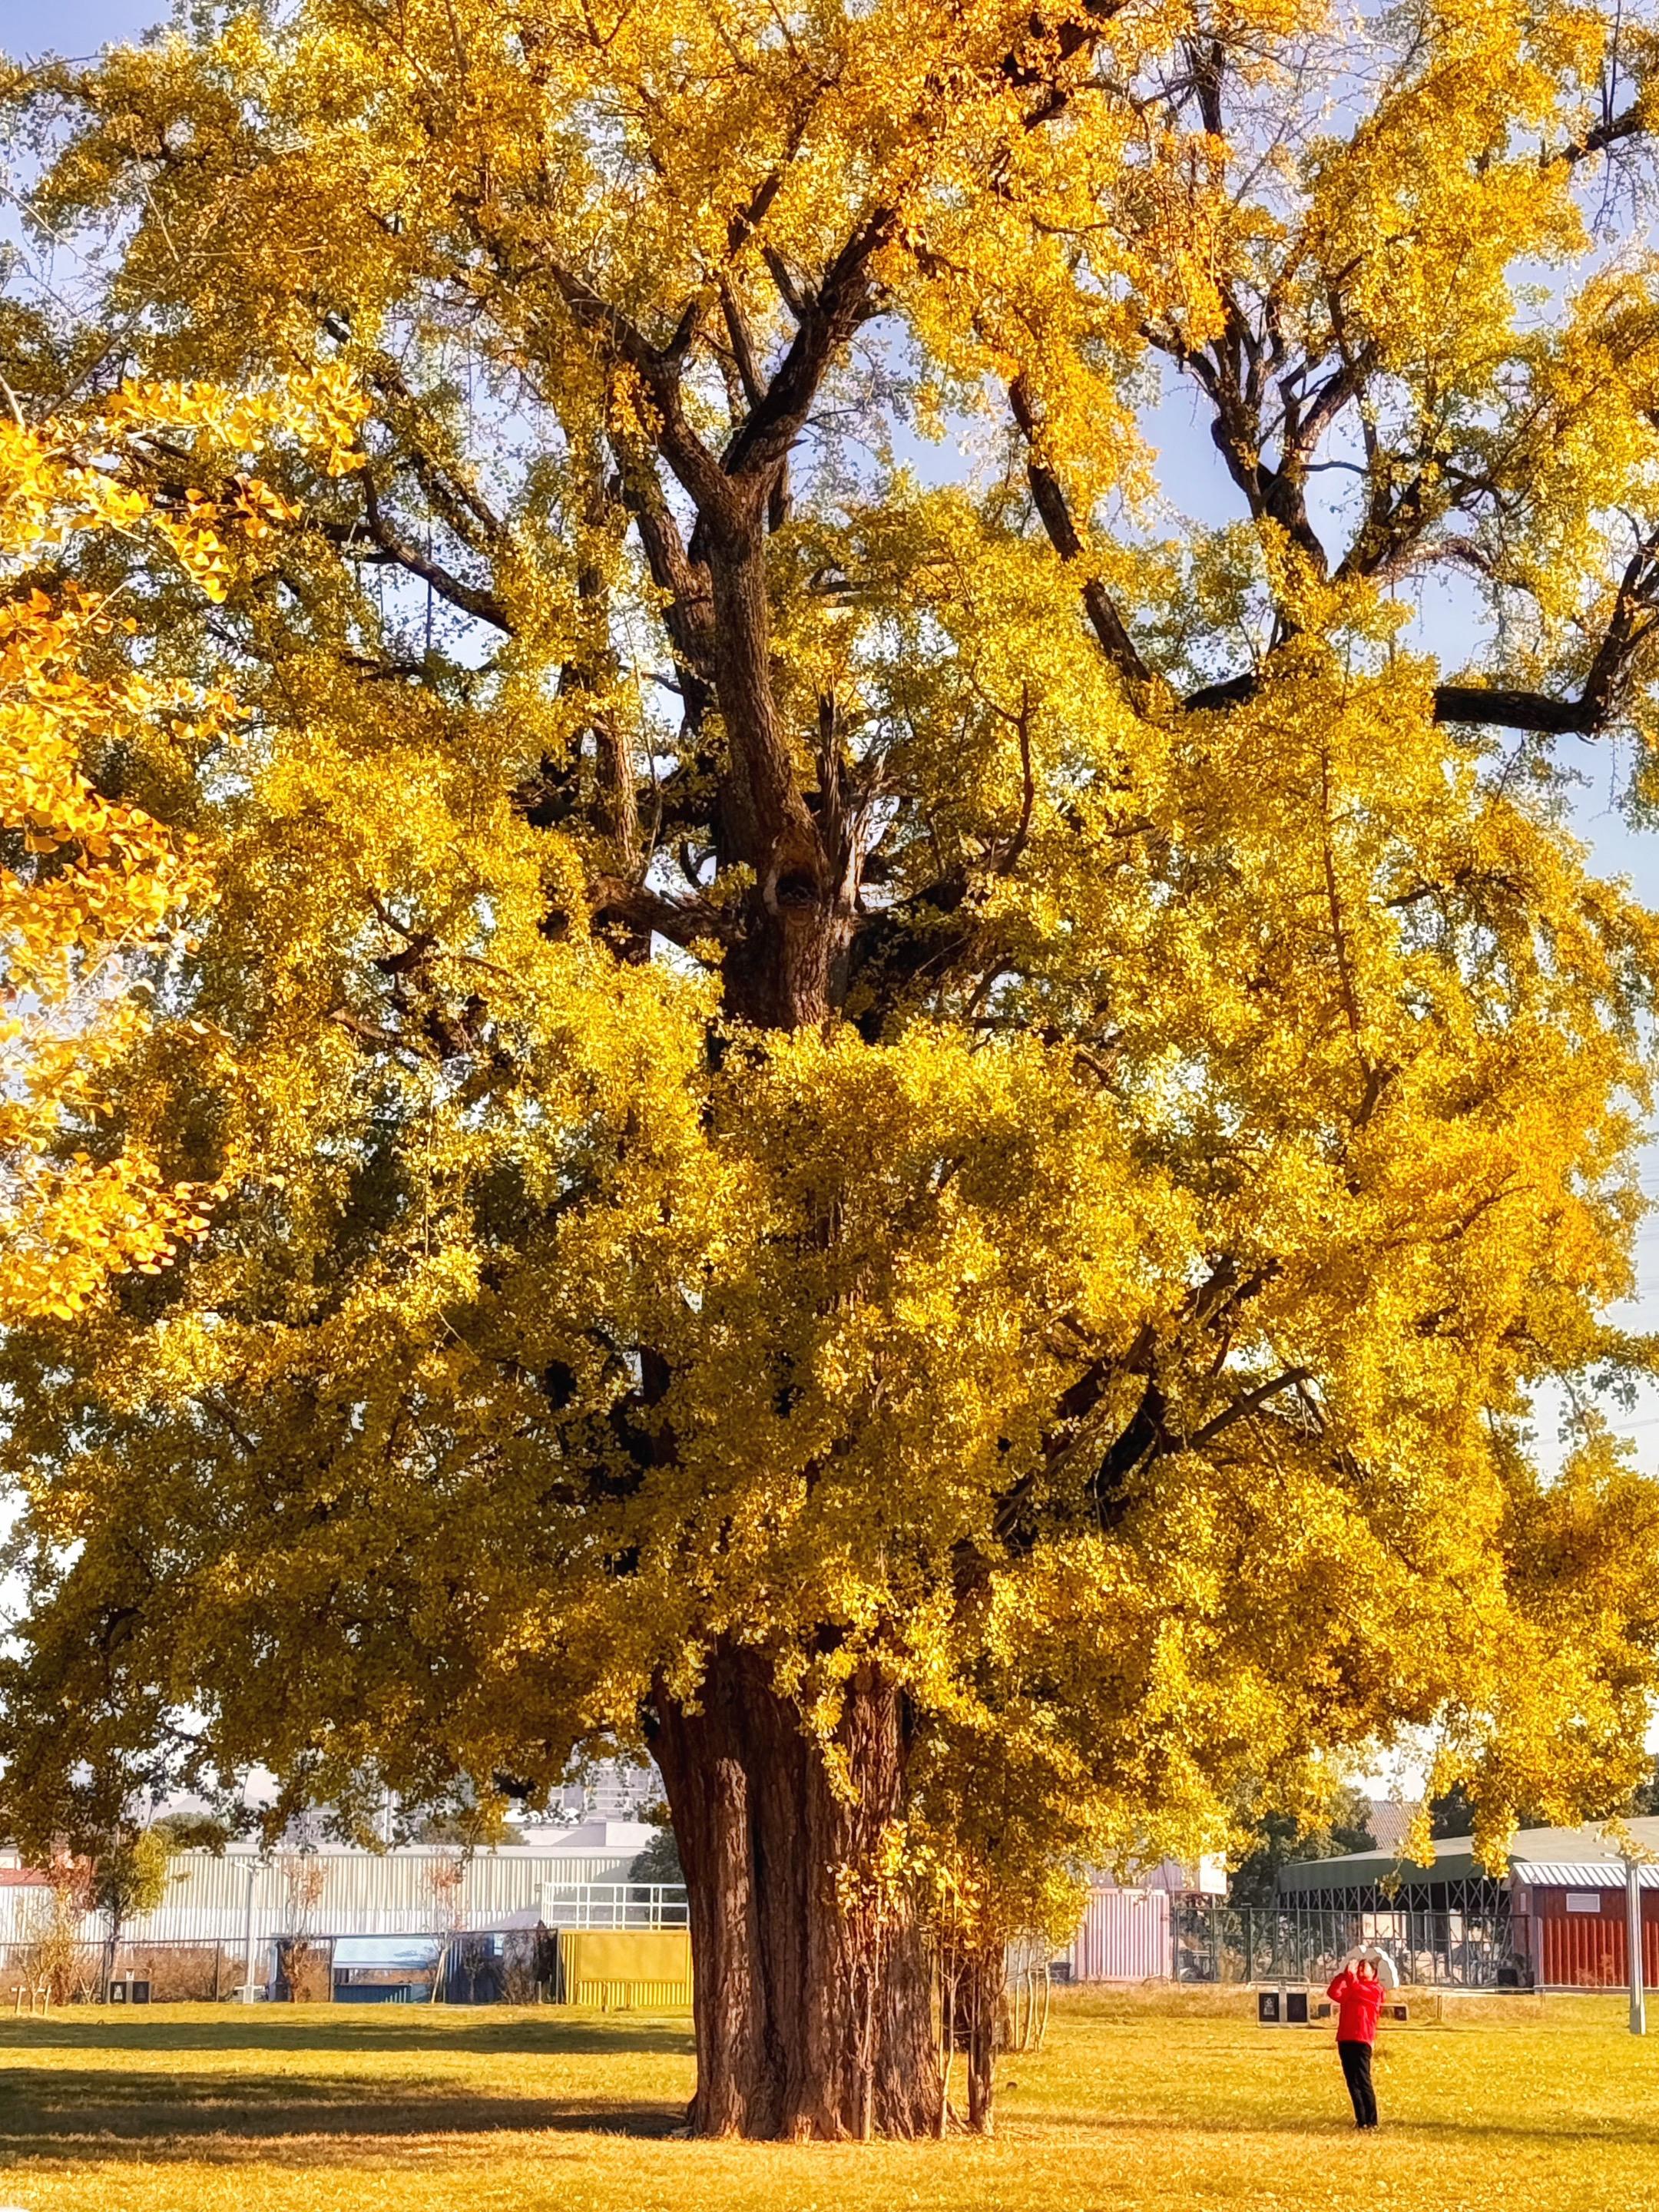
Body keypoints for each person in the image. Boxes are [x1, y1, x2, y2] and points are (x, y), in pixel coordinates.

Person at [1326, 1952, 1384, 2128]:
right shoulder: (1352, 1986)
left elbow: (1360, 1991)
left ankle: (1372, 2121)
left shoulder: (1375, 1990)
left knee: (1363, 2080)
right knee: (1352, 2082)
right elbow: (1334, 1993)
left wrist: (1351, 1978)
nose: (1358, 1970)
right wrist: (1343, 1975)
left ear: (1373, 1972)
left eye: (1362, 1967)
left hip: (1361, 2039)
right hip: (1345, 2038)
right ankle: (1361, 2120)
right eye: (1357, 1967)